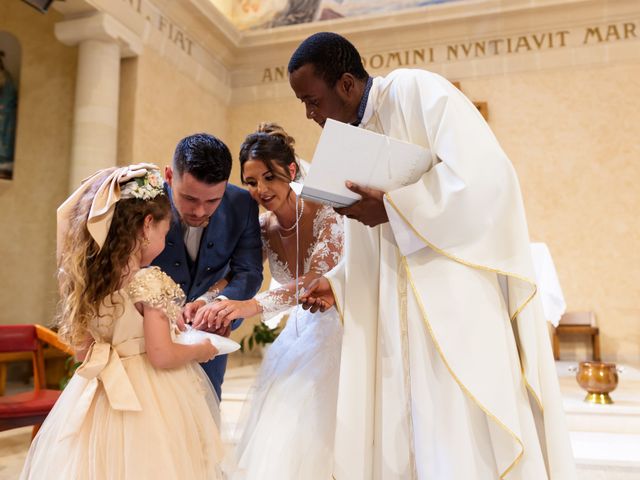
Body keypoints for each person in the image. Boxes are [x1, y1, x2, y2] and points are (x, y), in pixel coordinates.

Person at [290, 32, 576, 479]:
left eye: (312, 100)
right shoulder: (348, 143)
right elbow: (374, 247)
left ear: (346, 84)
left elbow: (487, 180)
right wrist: (340, 281)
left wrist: (392, 206)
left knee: (458, 433)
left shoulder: (416, 91)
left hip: (453, 311)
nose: (310, 114)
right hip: (396, 326)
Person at [20, 164, 224, 479]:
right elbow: (162, 355)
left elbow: (81, 353)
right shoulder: (149, 282)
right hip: (148, 398)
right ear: (146, 225)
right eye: (164, 233)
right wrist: (202, 350)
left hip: (97, 396)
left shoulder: (86, 282)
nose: (163, 242)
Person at [192, 123, 344, 479]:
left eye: (269, 177)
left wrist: (251, 306)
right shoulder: (262, 227)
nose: (260, 190)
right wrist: (208, 298)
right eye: (251, 181)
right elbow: (241, 272)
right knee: (287, 420)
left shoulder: (327, 212)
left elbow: (314, 279)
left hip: (346, 326)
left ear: (291, 172)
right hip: (303, 332)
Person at [152, 133, 263, 398]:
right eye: (189, 198)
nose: (200, 211)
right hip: (151, 340)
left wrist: (217, 306)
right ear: (169, 176)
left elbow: (248, 271)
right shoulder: (143, 201)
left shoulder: (243, 204)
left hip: (210, 340)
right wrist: (162, 308)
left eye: (212, 200)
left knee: (205, 417)